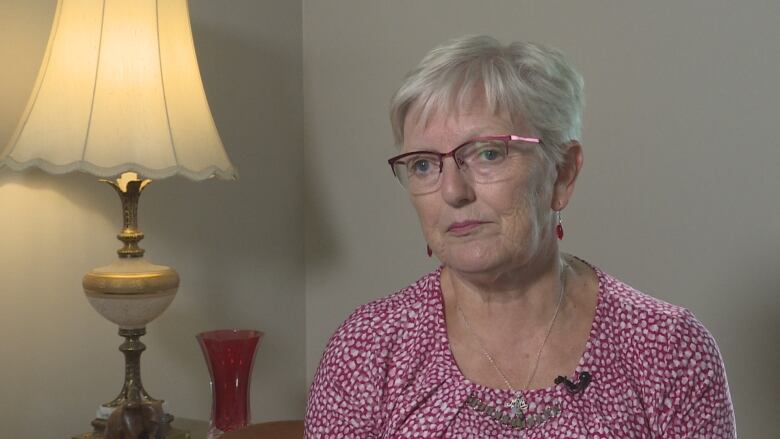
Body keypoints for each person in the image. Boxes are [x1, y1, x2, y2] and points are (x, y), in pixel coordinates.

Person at [305, 35, 736, 438]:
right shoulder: (365, 349)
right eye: (422, 165)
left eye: (488, 154)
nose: (453, 191)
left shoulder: (671, 350)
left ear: (562, 173)